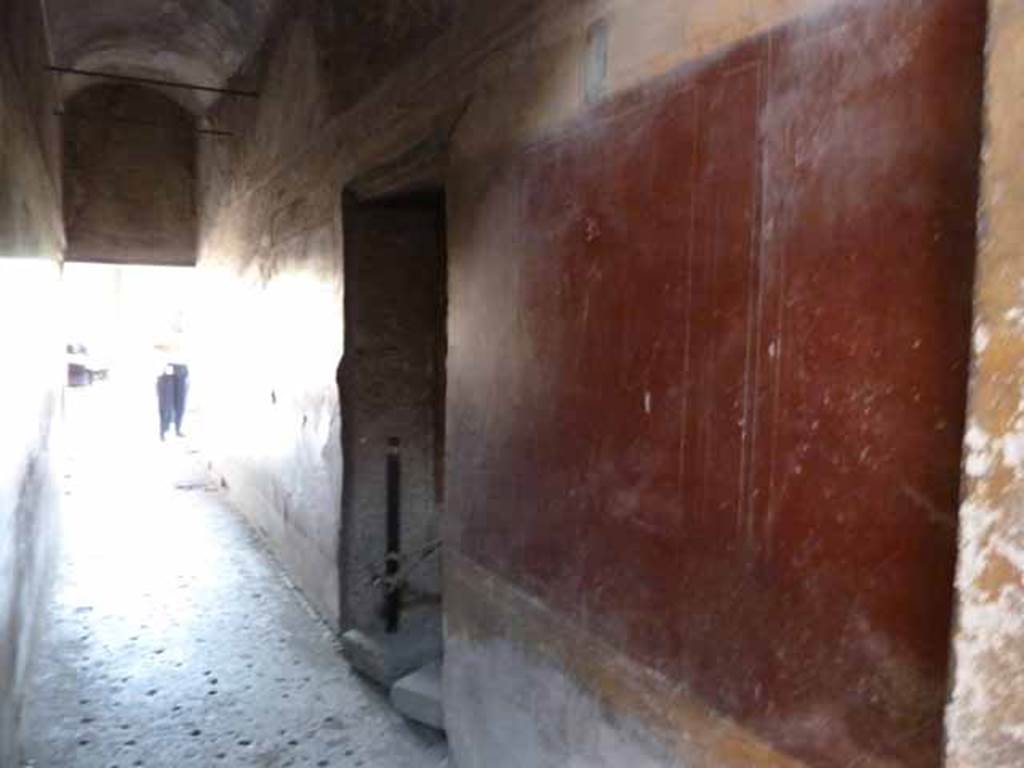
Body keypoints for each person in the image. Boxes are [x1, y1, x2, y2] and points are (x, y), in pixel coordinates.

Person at [155, 336, 188, 440]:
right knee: (166, 405)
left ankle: (177, 429)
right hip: (166, 369)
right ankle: (163, 431)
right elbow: (157, 345)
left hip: (182, 367)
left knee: (180, 404)